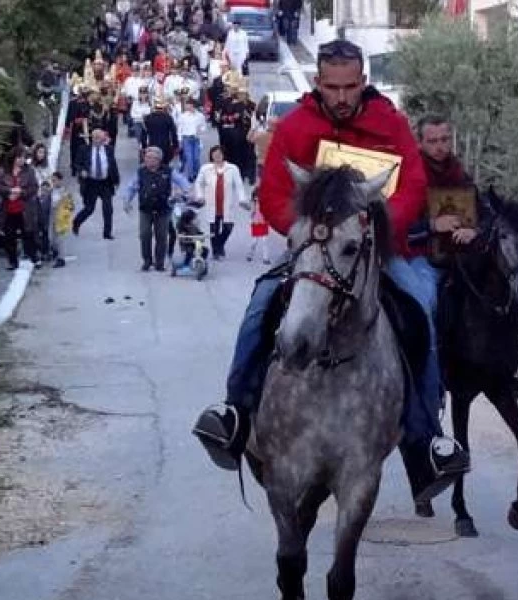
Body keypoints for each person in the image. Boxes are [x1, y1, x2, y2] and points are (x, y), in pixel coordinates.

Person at [191, 39, 471, 504]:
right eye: (332, 87)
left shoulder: (391, 124)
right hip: (316, 249)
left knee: (420, 309)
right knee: (262, 302)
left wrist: (379, 228)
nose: (342, 97)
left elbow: (413, 186)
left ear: (363, 82)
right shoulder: (297, 126)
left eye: (351, 87)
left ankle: (426, 441)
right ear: (319, 83)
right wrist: (308, 231)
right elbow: (275, 194)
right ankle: (235, 411)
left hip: (381, 250)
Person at [413, 116, 518, 400]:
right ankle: (432, 372)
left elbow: (486, 216)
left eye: (444, 140)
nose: (440, 147)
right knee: (431, 304)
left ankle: (505, 369)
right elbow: (399, 225)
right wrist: (433, 226)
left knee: (505, 297)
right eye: (432, 141)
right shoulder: (412, 176)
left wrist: (474, 229)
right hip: (422, 259)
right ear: (420, 143)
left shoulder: (459, 174)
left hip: (461, 259)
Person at [122, 146, 192, 271]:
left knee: (162, 236)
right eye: (147, 158)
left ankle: (159, 262)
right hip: (145, 209)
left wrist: (187, 192)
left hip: (163, 208)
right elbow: (132, 187)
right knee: (145, 234)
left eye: (152, 158)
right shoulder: (141, 171)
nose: (149, 160)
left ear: (159, 159)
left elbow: (182, 181)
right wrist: (127, 201)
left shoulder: (168, 171)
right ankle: (147, 261)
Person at [193, 145, 248, 260]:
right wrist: (200, 196)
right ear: (211, 155)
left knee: (228, 227)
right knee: (214, 229)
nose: (217, 156)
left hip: (226, 203)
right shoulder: (205, 168)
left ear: (223, 155)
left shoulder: (232, 168)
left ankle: (220, 244)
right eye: (214, 154)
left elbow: (239, 186)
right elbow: (198, 183)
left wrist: (242, 199)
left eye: (219, 154)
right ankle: (216, 252)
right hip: (212, 203)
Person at [0, 150, 41, 270]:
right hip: (8, 209)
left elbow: (34, 187)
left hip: (24, 209)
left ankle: (34, 258)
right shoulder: (4, 170)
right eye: (19, 157)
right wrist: (9, 191)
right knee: (9, 237)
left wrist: (21, 192)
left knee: (28, 235)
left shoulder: (29, 171)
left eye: (23, 158)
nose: (21, 160)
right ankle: (12, 261)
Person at [74, 128, 121, 239]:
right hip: (91, 183)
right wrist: (82, 171)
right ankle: (76, 222)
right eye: (97, 138)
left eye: (101, 138)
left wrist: (116, 180)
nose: (100, 140)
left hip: (105, 183)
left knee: (108, 208)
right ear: (93, 138)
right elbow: (77, 164)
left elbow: (113, 165)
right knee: (89, 208)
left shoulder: (109, 149)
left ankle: (107, 233)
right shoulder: (84, 149)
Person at [39, 172, 69, 268]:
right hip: (52, 217)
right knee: (52, 238)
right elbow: (46, 205)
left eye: (55, 180)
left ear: (60, 180)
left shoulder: (65, 192)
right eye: (52, 180)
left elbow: (70, 206)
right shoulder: (51, 192)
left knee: (60, 239)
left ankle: (61, 258)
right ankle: (55, 251)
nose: (53, 182)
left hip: (61, 218)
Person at [176, 97, 208, 180]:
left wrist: (200, 130)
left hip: (196, 138)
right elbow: (180, 128)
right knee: (189, 157)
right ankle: (191, 175)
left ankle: (197, 173)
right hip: (186, 138)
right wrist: (179, 140)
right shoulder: (183, 116)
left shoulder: (200, 116)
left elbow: (204, 126)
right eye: (187, 105)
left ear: (193, 106)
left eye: (189, 105)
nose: (187, 106)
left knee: (196, 158)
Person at [142, 97, 179, 167]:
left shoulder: (148, 118)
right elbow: (173, 133)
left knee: (153, 164)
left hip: (152, 144)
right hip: (165, 145)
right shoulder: (168, 118)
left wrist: (144, 146)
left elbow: (144, 134)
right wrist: (175, 145)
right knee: (165, 165)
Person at [246, 197, 271, 264]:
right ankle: (250, 255)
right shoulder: (254, 201)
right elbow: (251, 211)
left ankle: (266, 258)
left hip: (264, 223)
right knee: (254, 242)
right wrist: (251, 219)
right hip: (256, 223)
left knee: (265, 242)